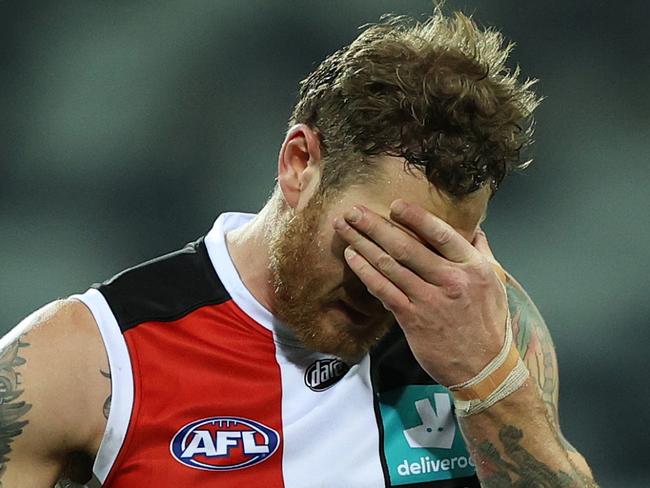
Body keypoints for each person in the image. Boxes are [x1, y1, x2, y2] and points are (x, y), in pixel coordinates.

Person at [0, 8, 598, 488]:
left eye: (431, 253)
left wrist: (481, 379)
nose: (385, 283)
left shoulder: (490, 328)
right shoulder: (85, 360)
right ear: (299, 164)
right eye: (369, 239)